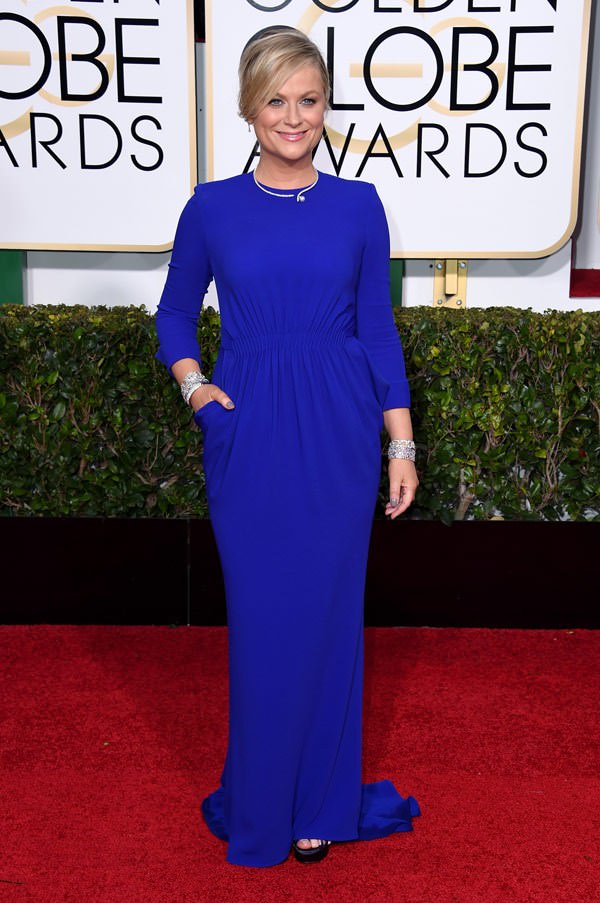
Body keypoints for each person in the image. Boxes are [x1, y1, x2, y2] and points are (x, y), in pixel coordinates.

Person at [155, 26, 421, 868]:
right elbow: (173, 315)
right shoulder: (211, 207)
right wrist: (198, 390)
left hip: (340, 432)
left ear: (326, 105)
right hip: (251, 430)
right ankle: (266, 797)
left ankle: (320, 805)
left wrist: (401, 444)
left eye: (309, 99)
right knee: (265, 624)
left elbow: (376, 330)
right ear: (249, 106)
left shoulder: (359, 204)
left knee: (332, 621)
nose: (294, 117)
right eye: (276, 100)